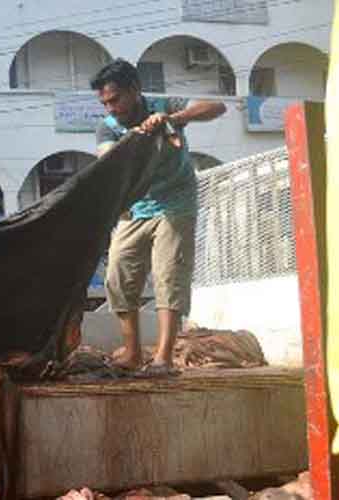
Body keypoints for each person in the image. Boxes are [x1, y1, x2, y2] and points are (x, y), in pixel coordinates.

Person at [91, 59, 226, 375]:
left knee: (169, 277)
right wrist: (137, 136)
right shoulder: (107, 127)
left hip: (175, 203)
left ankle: (163, 357)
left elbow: (217, 107)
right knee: (118, 276)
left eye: (115, 99)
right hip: (134, 208)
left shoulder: (166, 105)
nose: (111, 108)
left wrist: (172, 119)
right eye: (105, 103)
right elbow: (108, 160)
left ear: (135, 90)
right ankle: (133, 352)